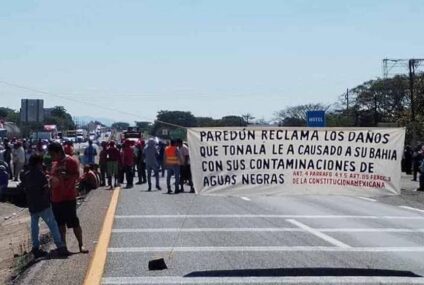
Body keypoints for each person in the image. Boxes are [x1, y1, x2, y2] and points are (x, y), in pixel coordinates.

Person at [21, 154, 68, 258]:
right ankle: (60, 246)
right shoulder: (40, 174)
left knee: (34, 227)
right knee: (53, 225)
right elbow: (46, 189)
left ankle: (36, 248)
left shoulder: (26, 175)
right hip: (43, 205)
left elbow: (25, 190)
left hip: (32, 205)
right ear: (38, 163)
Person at [47, 142, 89, 253]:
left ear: (59, 152)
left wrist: (66, 176)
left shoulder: (71, 161)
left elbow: (77, 176)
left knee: (74, 222)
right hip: (56, 198)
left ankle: (81, 245)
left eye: (52, 154)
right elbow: (52, 177)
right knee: (60, 224)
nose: (51, 157)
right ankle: (64, 247)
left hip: (68, 197)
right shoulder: (54, 163)